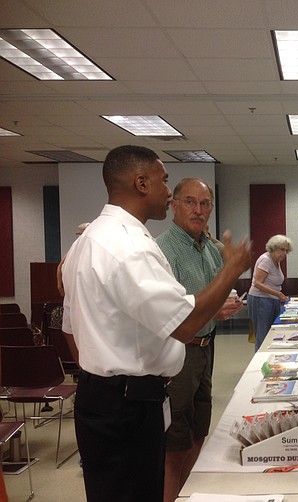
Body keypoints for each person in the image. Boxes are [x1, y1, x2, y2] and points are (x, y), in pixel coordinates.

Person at [61, 145, 252, 502]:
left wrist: (100, 371)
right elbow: (184, 324)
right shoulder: (131, 247)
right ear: (141, 183)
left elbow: (70, 328)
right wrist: (232, 269)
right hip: (126, 403)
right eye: (165, 182)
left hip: (103, 396)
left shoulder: (89, 239)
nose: (168, 191)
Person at [156, 178, 243, 502]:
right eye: (190, 202)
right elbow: (170, 312)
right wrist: (213, 311)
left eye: (205, 204)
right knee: (175, 442)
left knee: (198, 430)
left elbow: (212, 296)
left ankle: (185, 493)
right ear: (174, 206)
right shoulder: (164, 249)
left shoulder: (207, 247)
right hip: (178, 353)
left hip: (206, 348)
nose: (198, 209)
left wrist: (223, 303)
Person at [247, 235, 292, 351]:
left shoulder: (276, 261)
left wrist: (277, 295)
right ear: (273, 248)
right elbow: (257, 283)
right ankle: (259, 363)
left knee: (272, 334)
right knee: (262, 336)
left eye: (287, 250)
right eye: (282, 249)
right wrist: (278, 294)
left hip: (272, 299)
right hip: (260, 300)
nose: (285, 253)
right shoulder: (266, 260)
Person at [56, 222, 90, 297]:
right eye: (79, 234)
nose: (79, 236)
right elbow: (60, 267)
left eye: (81, 234)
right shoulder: (73, 249)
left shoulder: (93, 249)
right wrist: (60, 286)